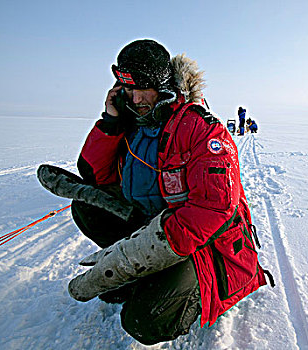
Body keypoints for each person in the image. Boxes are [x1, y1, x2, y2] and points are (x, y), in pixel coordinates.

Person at [37, 39, 269, 345]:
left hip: (205, 248)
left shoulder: (201, 129)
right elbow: (97, 176)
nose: (133, 98)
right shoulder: (133, 125)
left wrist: (129, 257)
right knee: (87, 206)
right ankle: (148, 276)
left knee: (144, 321)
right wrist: (111, 121)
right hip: (153, 228)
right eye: (126, 90)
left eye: (140, 89)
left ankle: (186, 296)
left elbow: (212, 210)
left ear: (162, 86)